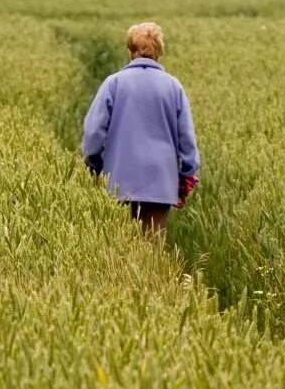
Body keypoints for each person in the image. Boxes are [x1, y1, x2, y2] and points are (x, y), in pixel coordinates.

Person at [81, 21, 199, 238]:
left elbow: (93, 133)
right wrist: (186, 174)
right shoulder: (173, 86)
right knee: (153, 250)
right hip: (161, 184)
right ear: (159, 52)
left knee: (121, 250)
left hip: (118, 182)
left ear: (129, 51)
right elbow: (187, 139)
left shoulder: (113, 83)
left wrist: (94, 165)